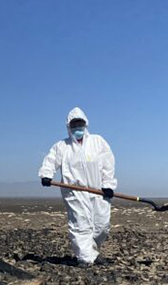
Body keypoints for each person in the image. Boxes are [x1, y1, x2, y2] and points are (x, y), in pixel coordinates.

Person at [38, 107, 117, 267]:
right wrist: (46, 174)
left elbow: (109, 164)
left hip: (99, 191)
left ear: (85, 124)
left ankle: (93, 252)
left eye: (80, 123)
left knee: (101, 225)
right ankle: (85, 258)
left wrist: (108, 184)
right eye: (74, 124)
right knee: (80, 224)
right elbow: (51, 160)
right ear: (69, 127)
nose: (77, 127)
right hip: (74, 192)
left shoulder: (98, 142)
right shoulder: (62, 146)